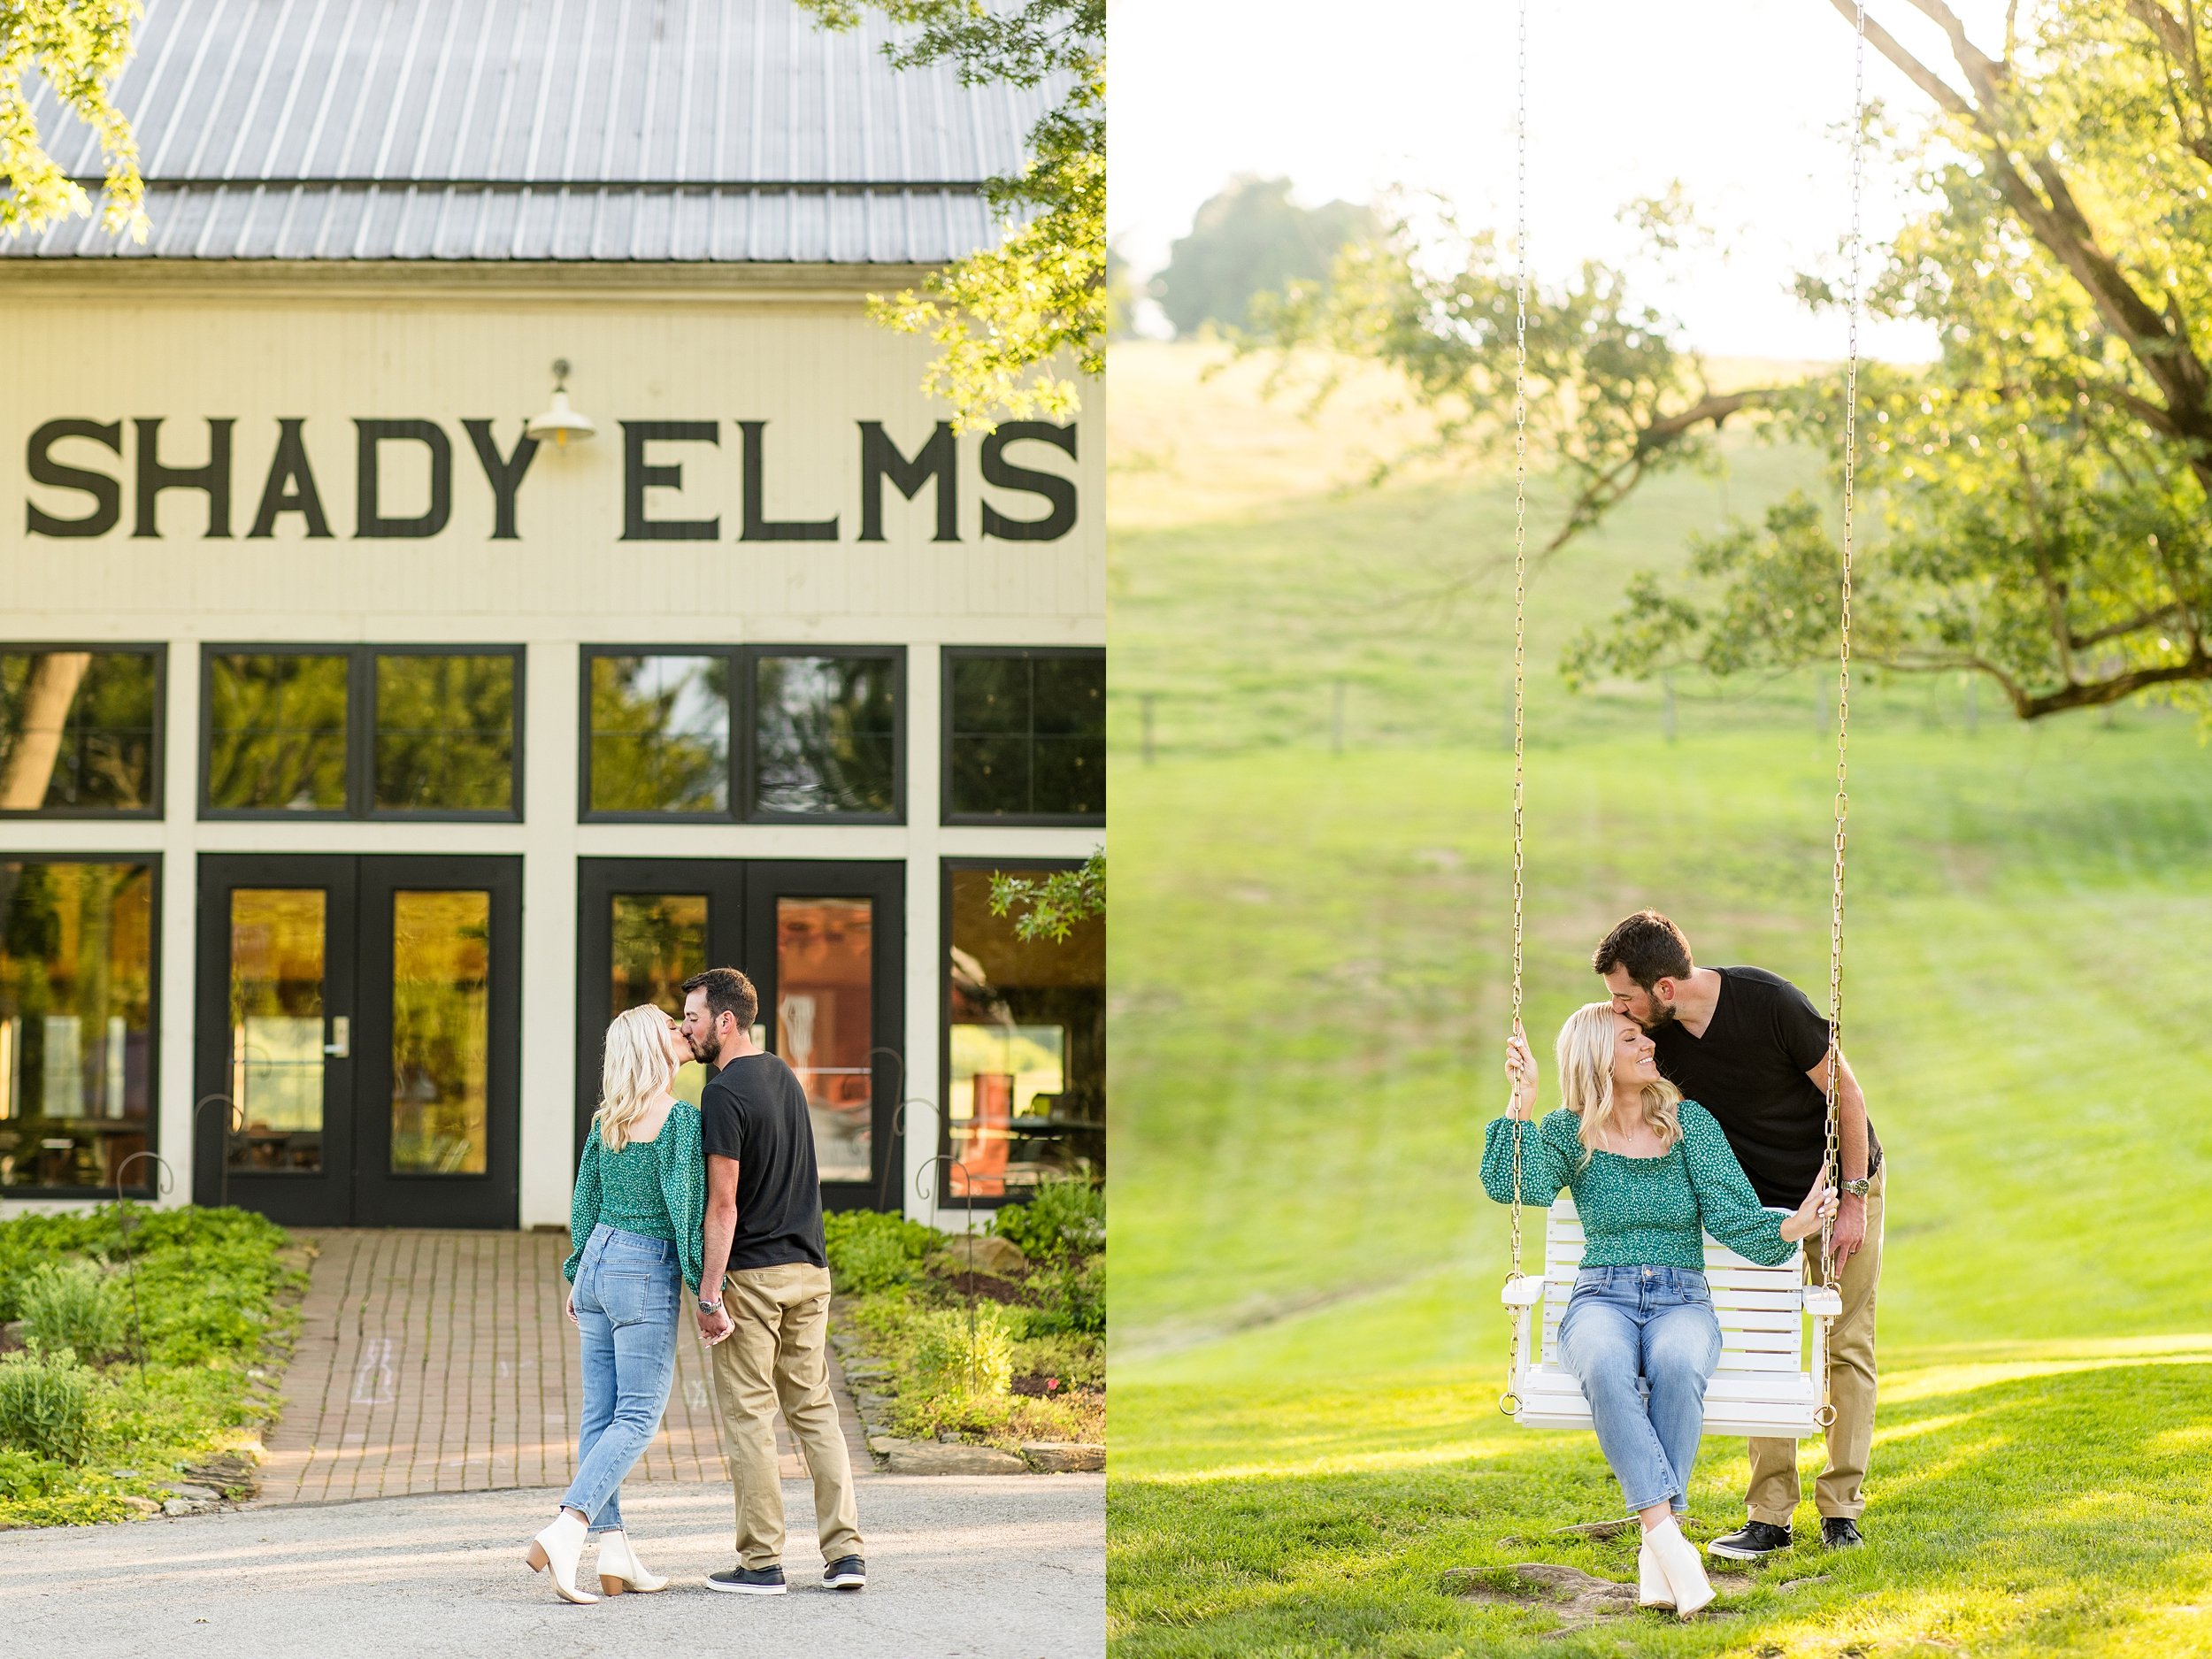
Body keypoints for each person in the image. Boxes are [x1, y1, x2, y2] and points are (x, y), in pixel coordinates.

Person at [1484, 1003, 1834, 1617]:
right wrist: (1523, 1100)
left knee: (1677, 1361)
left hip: (1681, 1297)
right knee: (1602, 1362)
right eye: (1631, 1038)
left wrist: (1791, 1226)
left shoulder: (1688, 1124)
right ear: (1598, 1057)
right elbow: (1515, 1185)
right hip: (1601, 1296)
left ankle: (1657, 1548)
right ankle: (1670, 1539)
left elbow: (1731, 1216)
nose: (1649, 1044)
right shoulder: (1570, 1132)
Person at [1592, 910, 1883, 1558]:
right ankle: (1770, 1515)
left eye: (1624, 995)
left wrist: (1855, 1197)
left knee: (1847, 1341)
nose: (1620, 1010)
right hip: (1758, 1206)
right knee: (1766, 1345)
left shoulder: (1769, 1002)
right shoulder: (1654, 1038)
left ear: (1663, 988)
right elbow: (1603, 1073)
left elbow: (1849, 1095)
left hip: (1841, 1183)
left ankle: (1841, 1510)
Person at [681, 966, 865, 1596]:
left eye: (694, 1017)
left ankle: (761, 1562)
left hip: (753, 1277)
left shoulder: (723, 1093)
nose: (688, 1028)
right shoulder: (785, 1076)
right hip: (809, 1271)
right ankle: (846, 1555)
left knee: (750, 1416)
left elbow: (724, 1204)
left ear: (725, 1020)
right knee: (815, 1412)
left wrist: (708, 1293)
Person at [526, 1004, 707, 1604]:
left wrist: (579, 1272)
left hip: (600, 1259)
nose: (683, 1034)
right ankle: (568, 1525)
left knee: (599, 1415)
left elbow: (584, 1201)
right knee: (636, 1417)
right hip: (643, 1269)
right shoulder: (679, 1120)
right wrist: (708, 1290)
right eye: (672, 1030)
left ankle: (614, 1550)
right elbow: (684, 1214)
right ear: (655, 1050)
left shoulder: (608, 1118)